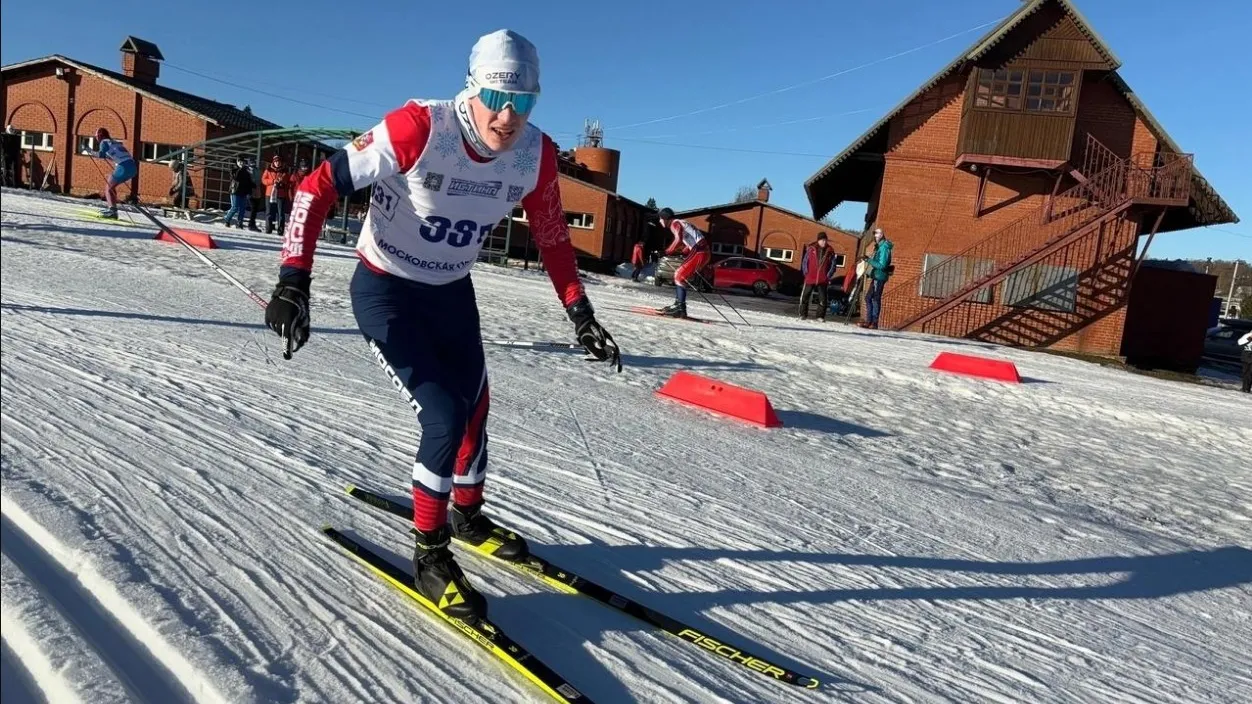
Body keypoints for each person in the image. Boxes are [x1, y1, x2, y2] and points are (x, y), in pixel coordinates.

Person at [263, 29, 621, 623]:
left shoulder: (534, 154)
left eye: (523, 102)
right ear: (471, 90)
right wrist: (293, 281)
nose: (508, 116)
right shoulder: (420, 128)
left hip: (451, 294)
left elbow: (553, 236)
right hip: (387, 292)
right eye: (496, 99)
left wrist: (580, 312)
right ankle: (430, 555)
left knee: (476, 409)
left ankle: (467, 515)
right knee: (444, 416)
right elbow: (315, 187)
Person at [655, 207, 710, 318]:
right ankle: (678, 305)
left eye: (660, 218)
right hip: (701, 251)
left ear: (665, 218)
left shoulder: (675, 223)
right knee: (679, 275)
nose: (660, 221)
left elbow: (678, 240)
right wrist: (681, 251)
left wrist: (666, 252)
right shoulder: (681, 222)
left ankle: (680, 308)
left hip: (700, 252)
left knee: (679, 276)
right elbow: (687, 243)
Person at [93, 128, 136, 218]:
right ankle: (112, 209)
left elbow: (101, 155)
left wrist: (89, 150)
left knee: (108, 188)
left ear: (100, 135)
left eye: (96, 136)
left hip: (123, 167)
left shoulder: (104, 142)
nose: (96, 139)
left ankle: (112, 211)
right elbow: (115, 154)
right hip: (132, 167)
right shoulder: (114, 142)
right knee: (111, 187)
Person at [798, 232, 838, 321]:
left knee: (822, 298)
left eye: (825, 240)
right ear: (818, 240)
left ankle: (820, 316)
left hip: (823, 279)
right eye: (822, 240)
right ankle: (802, 314)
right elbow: (805, 262)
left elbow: (833, 265)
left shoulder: (830, 251)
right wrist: (806, 273)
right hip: (810, 277)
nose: (824, 242)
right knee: (805, 296)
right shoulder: (811, 249)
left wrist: (828, 275)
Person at [859, 228, 893, 329]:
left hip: (879, 276)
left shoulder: (884, 247)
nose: (875, 237)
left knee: (875, 298)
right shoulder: (879, 247)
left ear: (881, 235)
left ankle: (874, 322)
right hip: (875, 275)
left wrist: (869, 260)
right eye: (875, 235)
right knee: (868, 297)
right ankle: (869, 320)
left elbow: (882, 265)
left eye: (877, 235)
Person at [262, 155, 293, 234]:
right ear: (273, 162)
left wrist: (282, 181)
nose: (277, 163)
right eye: (276, 162)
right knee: (269, 211)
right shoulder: (268, 170)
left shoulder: (284, 171)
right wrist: (272, 181)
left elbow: (288, 181)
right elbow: (263, 180)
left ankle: (280, 230)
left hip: (280, 194)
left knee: (280, 212)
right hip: (269, 193)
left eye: (279, 162)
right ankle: (268, 228)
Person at [223, 156, 254, 228]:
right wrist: (240, 169)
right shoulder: (233, 170)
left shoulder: (246, 171)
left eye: (242, 162)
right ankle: (227, 220)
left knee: (242, 208)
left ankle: (240, 223)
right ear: (237, 162)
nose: (241, 163)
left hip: (243, 192)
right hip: (235, 191)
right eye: (239, 162)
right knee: (235, 207)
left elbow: (248, 181)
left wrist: (251, 187)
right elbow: (236, 177)